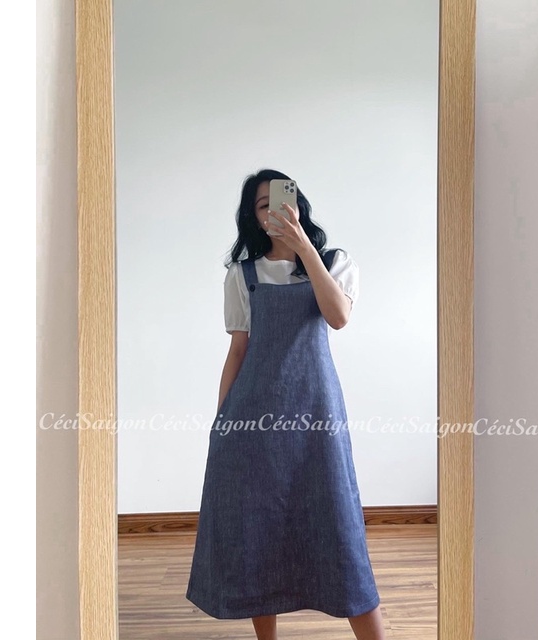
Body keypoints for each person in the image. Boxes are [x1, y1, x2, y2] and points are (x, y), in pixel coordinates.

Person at [185, 169, 386, 640]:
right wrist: (221, 423)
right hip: (251, 418)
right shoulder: (243, 275)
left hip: (316, 415)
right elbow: (238, 351)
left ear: (297, 204)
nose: (274, 210)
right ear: (252, 218)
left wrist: (304, 248)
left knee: (338, 527)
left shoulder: (334, 261)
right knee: (257, 529)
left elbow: (338, 317)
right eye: (263, 205)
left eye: (280, 200)